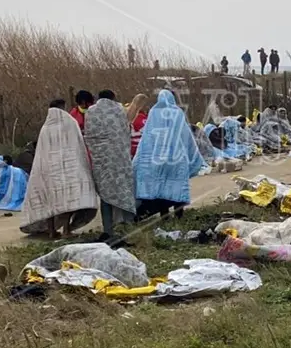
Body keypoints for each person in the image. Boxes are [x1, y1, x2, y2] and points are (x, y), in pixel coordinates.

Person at [21, 100, 98, 239]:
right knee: (68, 200)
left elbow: (41, 153)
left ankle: (51, 231)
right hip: (68, 170)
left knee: (49, 202)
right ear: (62, 108)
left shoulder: (45, 128)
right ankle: (66, 230)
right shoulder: (70, 123)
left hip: (48, 171)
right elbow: (78, 147)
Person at [134, 89, 206, 218]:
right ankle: (179, 215)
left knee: (162, 188)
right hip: (176, 159)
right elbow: (185, 135)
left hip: (158, 159)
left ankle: (164, 215)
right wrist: (193, 153)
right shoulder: (177, 113)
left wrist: (141, 158)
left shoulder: (153, 113)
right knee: (177, 185)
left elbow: (147, 138)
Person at [84, 90, 139, 239]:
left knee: (105, 195)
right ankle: (127, 226)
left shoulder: (91, 112)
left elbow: (89, 135)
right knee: (124, 191)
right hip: (119, 160)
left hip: (101, 161)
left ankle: (108, 229)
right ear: (113, 98)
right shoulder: (120, 110)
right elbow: (126, 128)